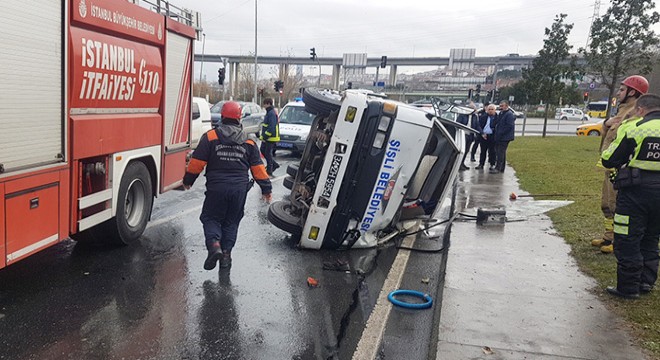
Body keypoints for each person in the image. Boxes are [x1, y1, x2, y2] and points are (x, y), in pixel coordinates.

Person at [183, 101, 272, 270]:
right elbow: (258, 169)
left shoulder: (210, 137)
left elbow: (196, 163)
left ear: (222, 116)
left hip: (217, 188)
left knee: (210, 218)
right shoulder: (249, 141)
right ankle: (226, 256)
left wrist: (188, 181)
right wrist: (266, 189)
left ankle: (214, 245)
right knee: (232, 221)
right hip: (239, 189)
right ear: (239, 118)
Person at [601, 93, 660, 299]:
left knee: (628, 239)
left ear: (641, 109)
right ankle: (646, 282)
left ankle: (628, 287)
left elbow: (609, 159)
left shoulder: (633, 128)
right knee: (652, 238)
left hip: (634, 193)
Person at [593, 75, 649, 254]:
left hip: (621, 169)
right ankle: (609, 235)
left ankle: (617, 239)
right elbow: (609, 135)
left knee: (617, 205)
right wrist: (605, 124)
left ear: (632, 92)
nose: (618, 92)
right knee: (606, 204)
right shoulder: (621, 111)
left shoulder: (635, 113)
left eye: (622, 89)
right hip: (609, 167)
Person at [491, 101, 515, 174]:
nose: (500, 107)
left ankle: (498, 168)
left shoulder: (509, 114)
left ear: (506, 106)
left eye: (502, 106)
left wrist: (501, 133)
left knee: (500, 152)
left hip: (504, 137)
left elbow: (509, 126)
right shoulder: (501, 113)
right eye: (500, 106)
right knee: (501, 152)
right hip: (499, 136)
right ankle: (501, 167)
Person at [457, 102, 482, 171]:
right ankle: (458, 164)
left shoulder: (475, 117)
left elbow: (477, 126)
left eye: (473, 109)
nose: (472, 110)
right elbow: (458, 123)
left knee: (467, 150)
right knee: (462, 150)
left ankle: (462, 163)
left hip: (470, 135)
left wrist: (482, 133)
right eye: (471, 108)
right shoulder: (462, 115)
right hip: (463, 134)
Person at [260, 98, 280, 176]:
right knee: (263, 150)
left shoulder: (271, 113)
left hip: (271, 137)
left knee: (267, 153)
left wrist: (265, 136)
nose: (264, 106)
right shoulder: (269, 112)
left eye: (264, 104)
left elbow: (271, 127)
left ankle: (270, 169)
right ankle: (273, 165)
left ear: (268, 104)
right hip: (268, 137)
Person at [475, 104, 497, 170]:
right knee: (483, 151)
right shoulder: (483, 117)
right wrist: (482, 133)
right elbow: (478, 125)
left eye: (492, 109)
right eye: (489, 109)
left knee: (492, 151)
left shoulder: (497, 117)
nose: (490, 111)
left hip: (492, 136)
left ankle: (492, 164)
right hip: (484, 136)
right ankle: (481, 164)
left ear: (495, 110)